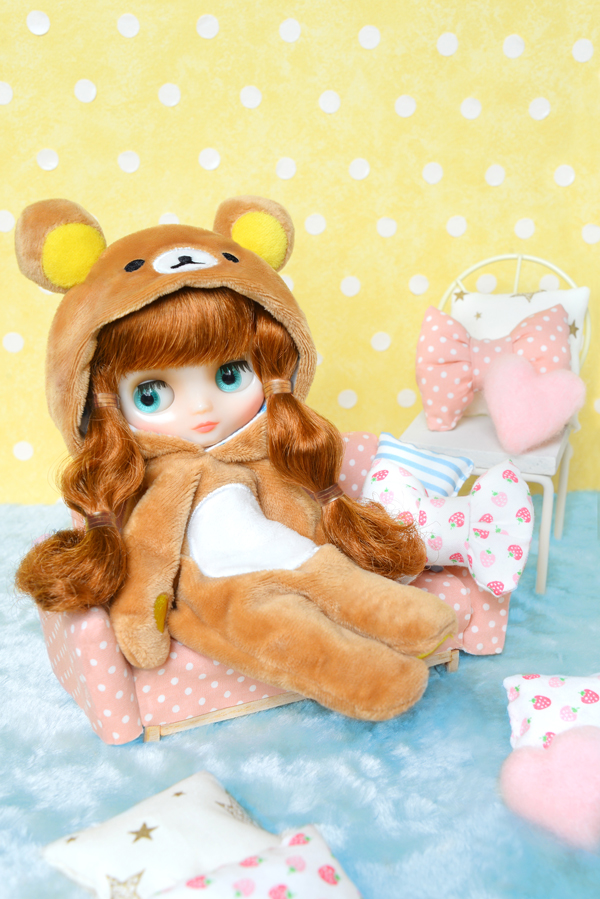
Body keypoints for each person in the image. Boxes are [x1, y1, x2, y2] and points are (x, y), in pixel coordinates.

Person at [14, 195, 457, 720]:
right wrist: (140, 619)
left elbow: (305, 512)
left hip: (301, 556)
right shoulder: (158, 480)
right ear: (101, 401)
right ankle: (371, 681)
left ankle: (414, 629)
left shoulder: (271, 448)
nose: (202, 409)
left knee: (354, 587)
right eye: (152, 393)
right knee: (291, 637)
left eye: (229, 375)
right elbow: (150, 555)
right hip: (221, 592)